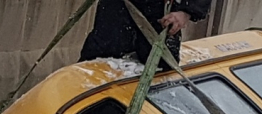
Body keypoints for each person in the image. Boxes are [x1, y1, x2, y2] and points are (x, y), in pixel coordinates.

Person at [80, 0, 211, 67]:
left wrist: (186, 12)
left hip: (160, 17)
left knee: (158, 75)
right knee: (98, 66)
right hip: (116, 14)